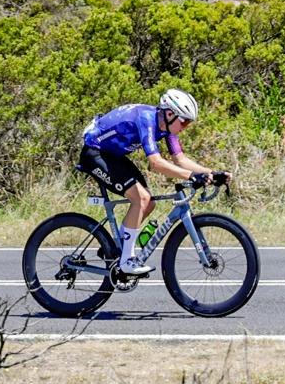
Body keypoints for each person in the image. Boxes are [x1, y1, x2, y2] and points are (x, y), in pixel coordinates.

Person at [79, 89, 227, 276]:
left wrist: (211, 173)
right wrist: (190, 176)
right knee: (140, 198)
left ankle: (117, 250)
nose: (186, 126)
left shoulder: (166, 126)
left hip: (113, 156)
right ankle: (126, 261)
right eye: (185, 121)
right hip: (95, 153)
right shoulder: (147, 119)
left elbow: (180, 159)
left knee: (149, 203)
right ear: (170, 114)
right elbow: (155, 163)